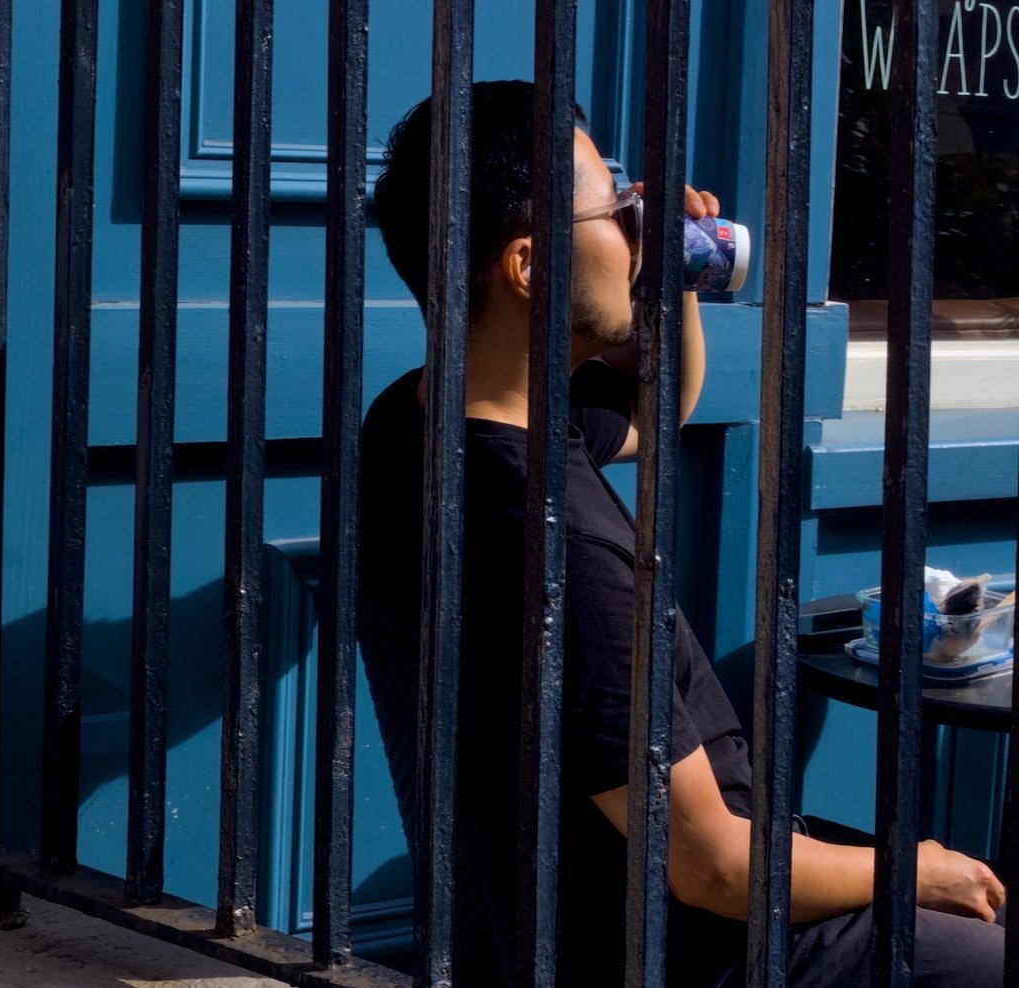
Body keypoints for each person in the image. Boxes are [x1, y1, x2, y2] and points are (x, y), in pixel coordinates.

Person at [355, 79, 1008, 986]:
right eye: (615, 211)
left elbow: (653, 412)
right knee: (986, 944)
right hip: (692, 947)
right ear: (530, 266)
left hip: (558, 916)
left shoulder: (418, 428)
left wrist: (674, 281)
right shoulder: (559, 551)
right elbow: (711, 868)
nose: (636, 225)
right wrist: (914, 868)